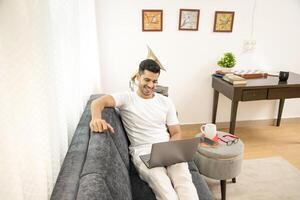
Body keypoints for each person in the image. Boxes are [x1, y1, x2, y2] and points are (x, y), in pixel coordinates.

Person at [89, 59, 199, 200]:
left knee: (185, 182)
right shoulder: (127, 98)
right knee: (165, 189)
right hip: (144, 152)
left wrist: (171, 148)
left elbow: (176, 132)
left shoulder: (166, 102)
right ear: (138, 77)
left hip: (168, 148)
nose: (151, 85)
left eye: (155, 81)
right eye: (147, 80)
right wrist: (96, 118)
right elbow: (98, 102)